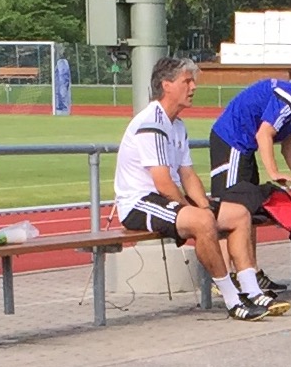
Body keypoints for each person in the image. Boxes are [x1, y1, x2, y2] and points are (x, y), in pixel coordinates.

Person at [113, 56, 280, 322]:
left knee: (238, 214)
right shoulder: (151, 124)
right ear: (166, 85)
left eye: (193, 81)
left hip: (164, 199)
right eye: (186, 81)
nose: (193, 87)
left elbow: (188, 174)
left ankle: (251, 289)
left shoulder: (177, 125)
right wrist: (197, 213)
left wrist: (203, 205)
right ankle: (232, 300)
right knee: (203, 222)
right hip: (139, 202)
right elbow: (163, 182)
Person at [208, 77, 291, 311]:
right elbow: (264, 135)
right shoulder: (290, 101)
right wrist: (273, 171)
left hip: (245, 148)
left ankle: (249, 272)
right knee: (229, 210)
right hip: (232, 141)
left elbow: (288, 149)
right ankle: (224, 277)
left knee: (247, 212)